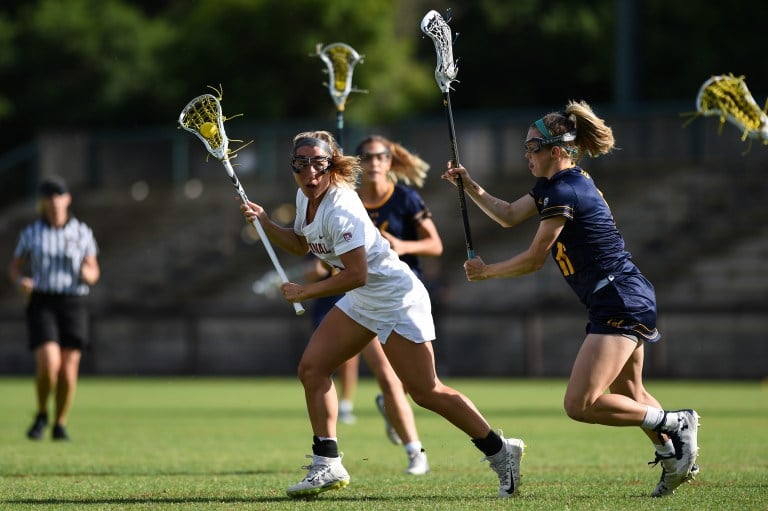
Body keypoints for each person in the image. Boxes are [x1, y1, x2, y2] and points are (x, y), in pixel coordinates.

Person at [240, 130, 524, 499]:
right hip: (363, 298)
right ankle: (327, 462)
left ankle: (501, 451)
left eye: (318, 163)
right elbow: (300, 244)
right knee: (312, 369)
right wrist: (264, 222)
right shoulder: (304, 196)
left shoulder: (341, 206)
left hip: (396, 298)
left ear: (333, 164)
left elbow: (356, 273)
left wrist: (306, 291)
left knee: (426, 392)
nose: (309, 172)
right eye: (301, 163)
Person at [441, 100, 699, 498]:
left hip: (617, 297)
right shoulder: (553, 186)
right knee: (632, 395)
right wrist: (470, 186)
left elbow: (533, 259)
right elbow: (509, 214)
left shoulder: (567, 189)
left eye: (532, 147)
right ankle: (672, 453)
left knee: (581, 404)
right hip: (620, 295)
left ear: (557, 150)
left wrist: (486, 271)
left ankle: (676, 422)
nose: (526, 154)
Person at [8, 175, 100, 441]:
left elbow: (94, 270)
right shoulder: (32, 233)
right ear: (43, 202)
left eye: (58, 195)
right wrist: (21, 281)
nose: (54, 201)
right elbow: (15, 268)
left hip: (73, 302)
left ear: (67, 199)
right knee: (49, 363)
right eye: (49, 196)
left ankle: (60, 422)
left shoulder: (81, 232)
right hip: (43, 301)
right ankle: (40, 413)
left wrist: (88, 274)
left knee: (68, 370)